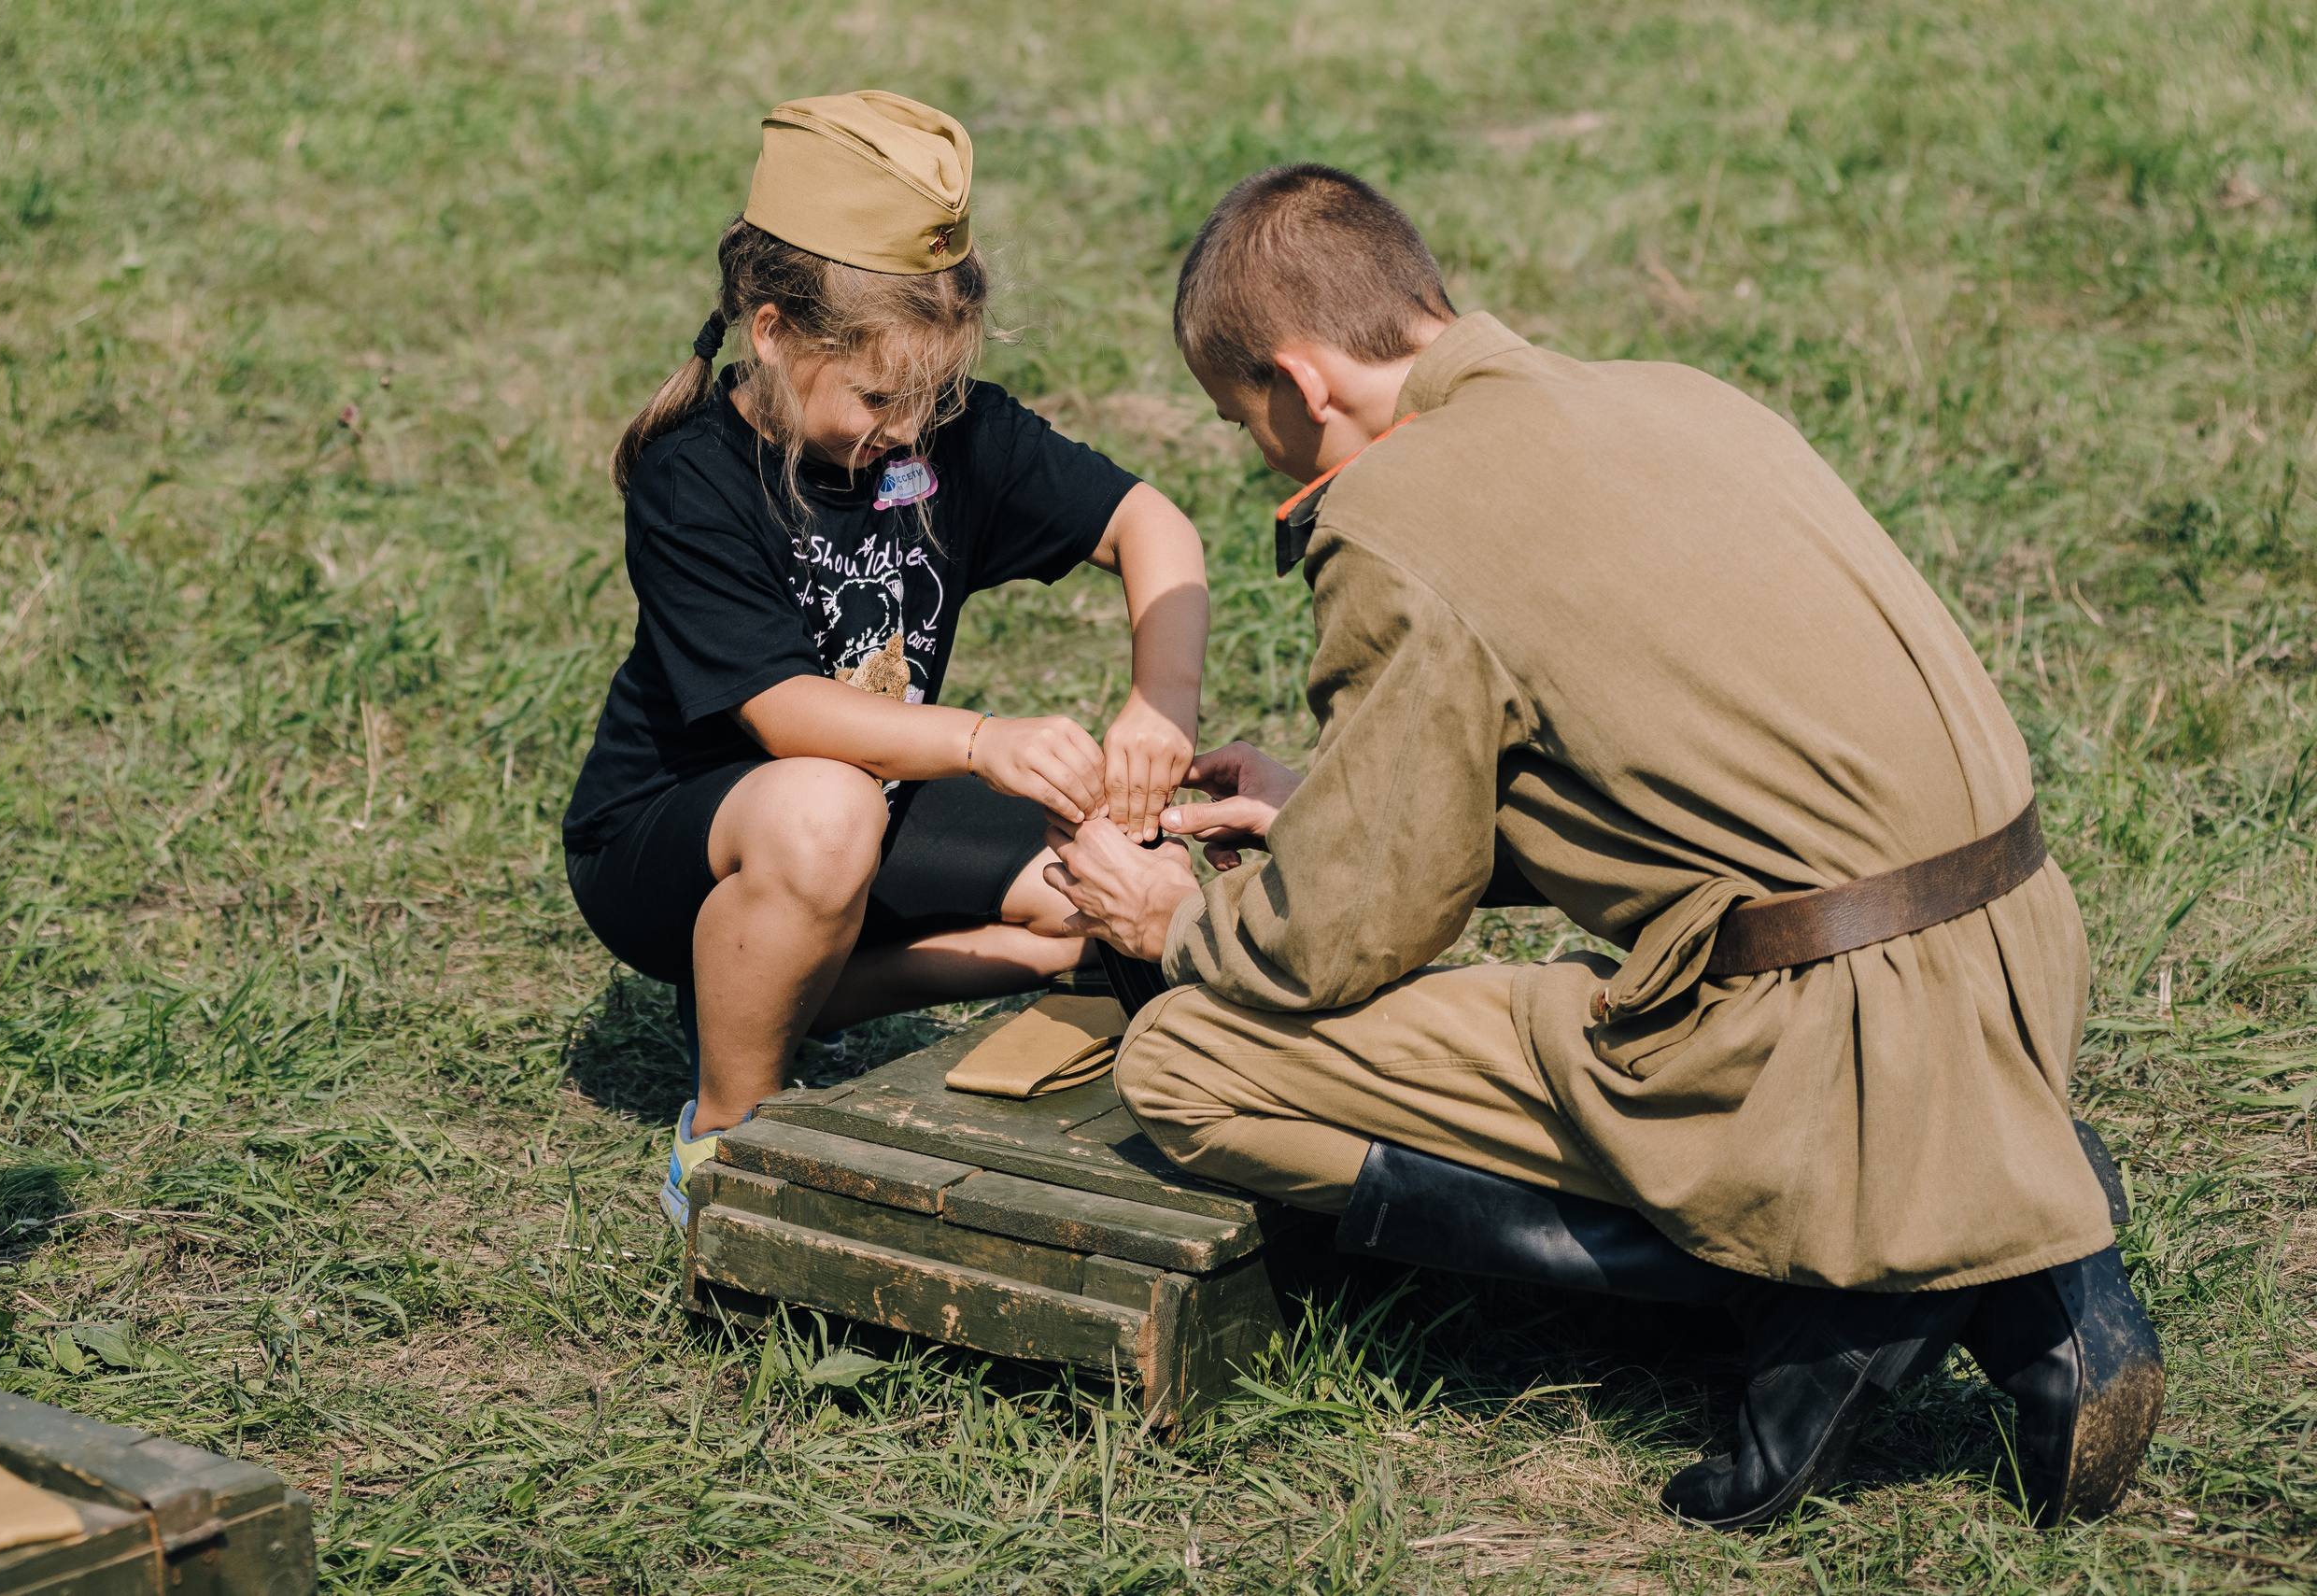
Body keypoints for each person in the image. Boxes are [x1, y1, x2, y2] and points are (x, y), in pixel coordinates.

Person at [1044, 164, 2161, 1530]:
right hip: (2017, 973)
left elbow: (1328, 948)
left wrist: (1175, 921)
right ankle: (1990, 1196)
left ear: (1300, 381)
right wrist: (1326, 806)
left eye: (1246, 421)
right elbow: (1689, 759)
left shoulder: (1398, 514)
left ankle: (1840, 1278)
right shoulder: (1677, 395)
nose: (1261, 451)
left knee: (1185, 1060)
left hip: (1835, 1033)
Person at [562, 92, 1208, 1230]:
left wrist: (1159, 704)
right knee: (822, 807)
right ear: (771, 332)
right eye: (879, 396)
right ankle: (728, 1130)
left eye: (935, 397)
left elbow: (1149, 524)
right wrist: (978, 740)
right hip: (674, 841)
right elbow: (784, 715)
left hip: (874, 810)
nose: (909, 429)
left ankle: (776, 992)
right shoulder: (691, 477)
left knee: (1104, 879)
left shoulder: (948, 437)